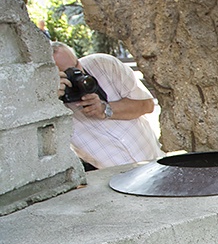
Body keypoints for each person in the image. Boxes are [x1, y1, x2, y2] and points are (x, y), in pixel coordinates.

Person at [51, 42, 164, 170]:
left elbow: (147, 105)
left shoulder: (104, 65)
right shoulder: (46, 101)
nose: (78, 75)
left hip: (154, 161)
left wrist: (106, 109)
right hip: (114, 180)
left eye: (76, 66)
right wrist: (50, 99)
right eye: (68, 74)